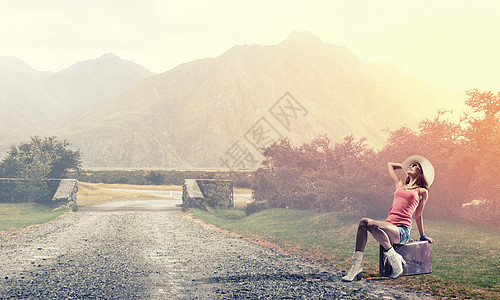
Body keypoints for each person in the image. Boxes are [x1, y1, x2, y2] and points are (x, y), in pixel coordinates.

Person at [341, 155, 436, 282]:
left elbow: (418, 215)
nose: (411, 166)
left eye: (415, 166)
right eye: (410, 165)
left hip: (401, 230)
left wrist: (423, 237)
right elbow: (390, 164)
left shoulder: (422, 192)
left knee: (368, 223)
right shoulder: (400, 185)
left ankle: (393, 258)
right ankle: (357, 266)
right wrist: (405, 165)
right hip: (388, 225)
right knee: (364, 224)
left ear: (421, 172)